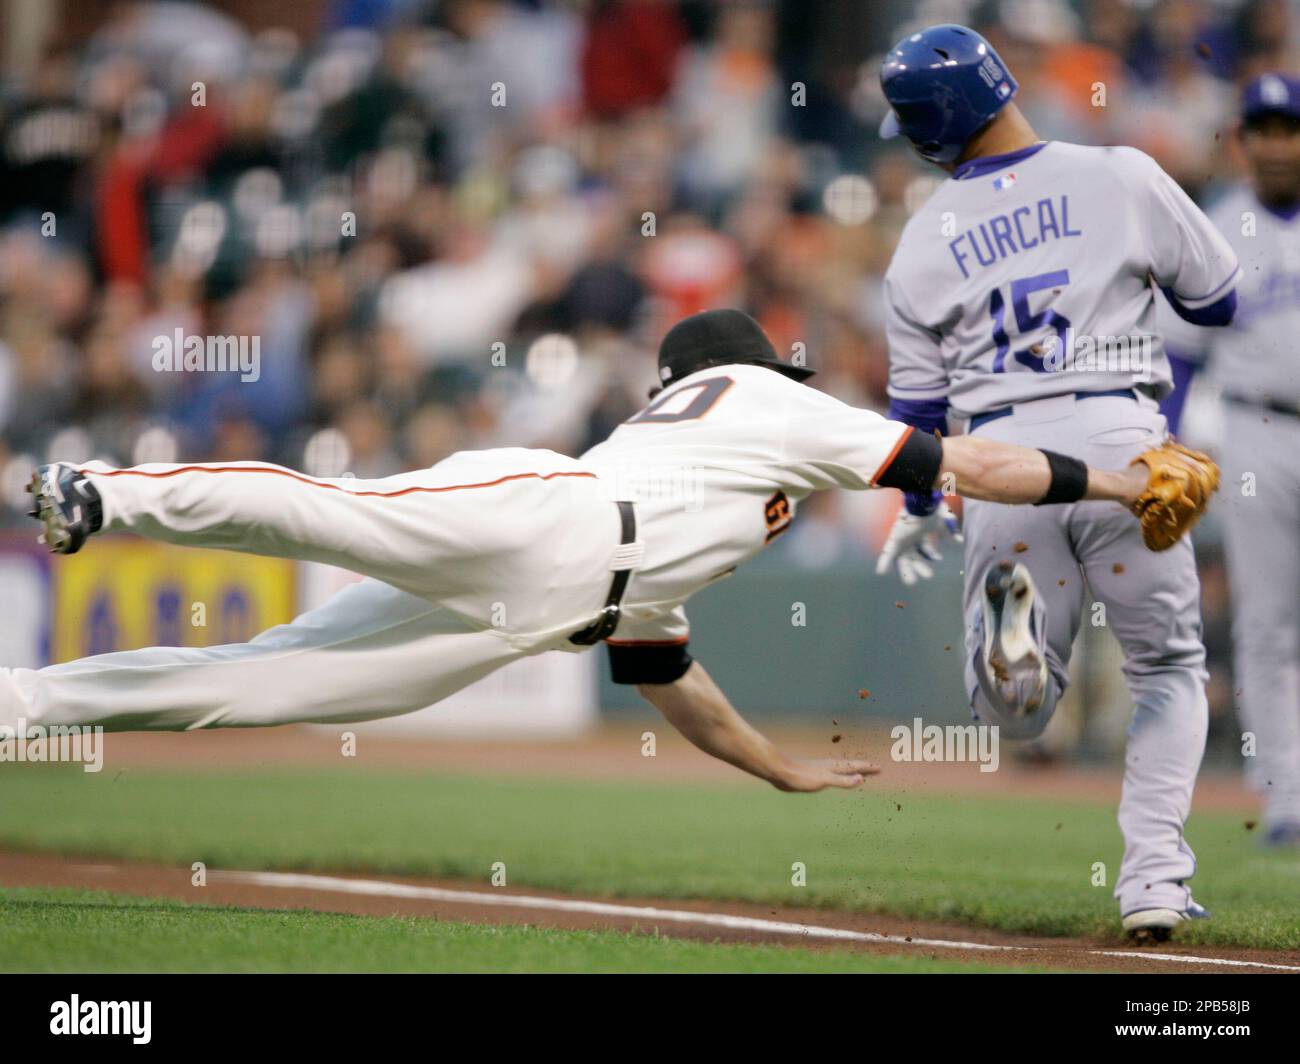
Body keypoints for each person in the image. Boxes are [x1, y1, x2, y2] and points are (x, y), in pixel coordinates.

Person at [7, 309, 1191, 800]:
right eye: (779, 369)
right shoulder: (760, 402)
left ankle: (19, 704)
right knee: (328, 509)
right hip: (554, 514)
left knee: (258, 687)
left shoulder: (725, 501)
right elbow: (969, 467)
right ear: (736, 371)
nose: (792, 380)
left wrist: (776, 770)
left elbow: (665, 670)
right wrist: (1115, 477)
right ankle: (96, 488)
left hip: (536, 607)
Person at [874, 24, 1238, 940]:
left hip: (1001, 458)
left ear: (927, 130)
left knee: (1018, 719)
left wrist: (921, 508)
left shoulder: (919, 241)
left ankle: (1019, 656)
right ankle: (1153, 881)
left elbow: (915, 429)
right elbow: (1219, 300)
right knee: (1168, 669)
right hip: (1122, 437)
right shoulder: (1119, 171)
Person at [1158, 74, 1300, 849]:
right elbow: (1179, 358)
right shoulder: (1216, 232)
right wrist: (1167, 448)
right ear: (1243, 140)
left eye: (1291, 126)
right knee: (1268, 620)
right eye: (1264, 128)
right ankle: (1284, 798)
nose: (1278, 142)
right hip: (1256, 430)